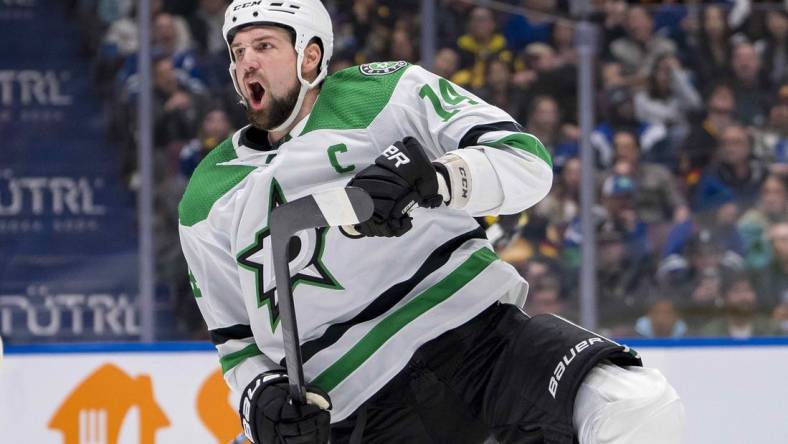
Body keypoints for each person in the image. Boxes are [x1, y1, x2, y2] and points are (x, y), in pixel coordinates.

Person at [178, 2, 684, 443]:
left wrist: (437, 180)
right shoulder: (206, 196)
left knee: (635, 405)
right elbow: (235, 339)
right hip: (353, 406)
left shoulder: (386, 92)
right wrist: (256, 396)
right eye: (238, 51)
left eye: (263, 45)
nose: (246, 62)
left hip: (482, 344)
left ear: (311, 55)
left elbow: (527, 164)